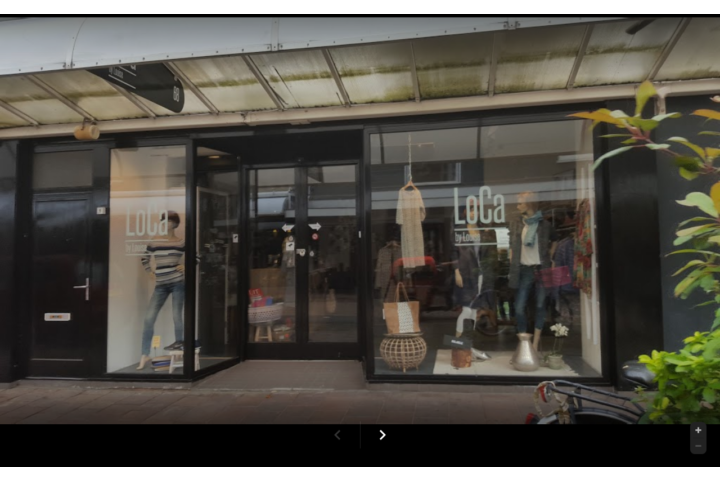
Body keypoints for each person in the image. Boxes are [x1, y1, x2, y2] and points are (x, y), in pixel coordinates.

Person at [508, 191, 556, 353]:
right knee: (519, 307)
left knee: (541, 305)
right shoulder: (517, 224)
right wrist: (512, 257)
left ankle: (535, 344)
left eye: (520, 203)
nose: (518, 206)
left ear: (529, 203)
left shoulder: (545, 225)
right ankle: (524, 343)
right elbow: (512, 244)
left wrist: (550, 255)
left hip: (542, 268)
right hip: (524, 269)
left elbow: (555, 239)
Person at [137, 211, 185, 370]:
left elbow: (196, 257)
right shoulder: (155, 241)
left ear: (175, 224)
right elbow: (144, 257)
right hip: (161, 285)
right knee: (149, 318)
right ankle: (145, 354)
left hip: (177, 282)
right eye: (164, 221)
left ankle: (179, 349)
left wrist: (186, 266)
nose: (166, 224)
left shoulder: (181, 242)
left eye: (169, 221)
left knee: (177, 316)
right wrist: (149, 271)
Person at [453, 213, 490, 361]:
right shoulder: (460, 229)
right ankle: (458, 346)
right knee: (466, 310)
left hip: (479, 274)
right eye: (471, 209)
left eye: (476, 210)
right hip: (465, 273)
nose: (474, 213)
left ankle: (469, 346)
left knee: (474, 312)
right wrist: (456, 271)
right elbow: (453, 251)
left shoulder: (482, 230)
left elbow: (484, 253)